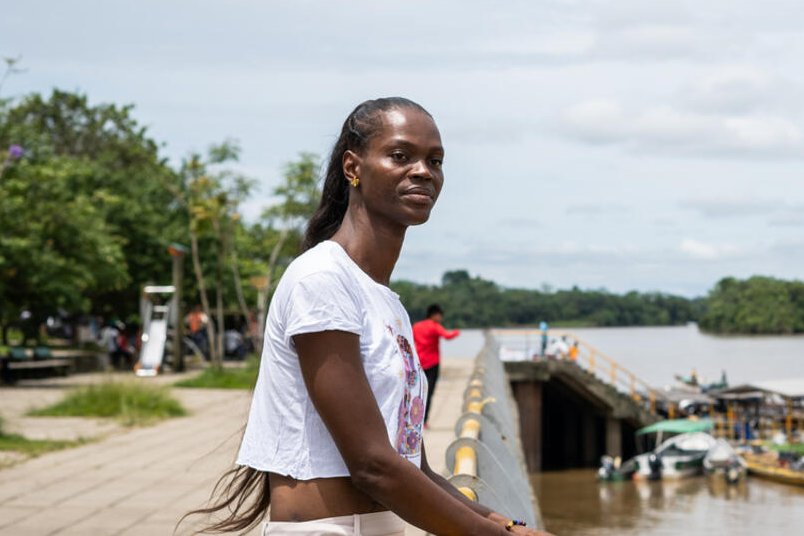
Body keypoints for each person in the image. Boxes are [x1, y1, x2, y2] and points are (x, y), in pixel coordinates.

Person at [184, 97, 548, 536]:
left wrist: (509, 524)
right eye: (400, 155)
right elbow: (372, 466)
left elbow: (414, 467)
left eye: (435, 160)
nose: (423, 171)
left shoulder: (385, 301)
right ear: (353, 167)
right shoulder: (322, 281)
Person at [411, 304, 459, 425]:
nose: (441, 318)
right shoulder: (434, 326)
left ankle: (414, 420)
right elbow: (447, 336)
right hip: (432, 363)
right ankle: (424, 421)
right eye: (440, 316)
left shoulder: (416, 326)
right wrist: (457, 332)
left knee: (417, 392)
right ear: (435, 315)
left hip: (418, 362)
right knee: (429, 392)